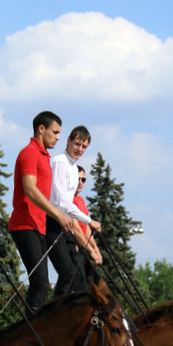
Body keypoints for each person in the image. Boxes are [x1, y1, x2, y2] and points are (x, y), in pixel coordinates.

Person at [8, 111, 76, 312]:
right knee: (39, 281)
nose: (58, 137)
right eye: (55, 132)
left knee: (43, 282)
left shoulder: (43, 156)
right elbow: (30, 189)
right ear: (41, 129)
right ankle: (32, 331)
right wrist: (58, 215)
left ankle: (40, 326)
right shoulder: (29, 152)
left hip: (38, 225)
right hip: (25, 224)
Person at [48, 127, 102, 296]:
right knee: (68, 273)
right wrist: (88, 220)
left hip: (64, 224)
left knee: (75, 274)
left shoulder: (72, 168)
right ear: (68, 141)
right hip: (51, 221)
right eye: (77, 144)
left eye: (84, 146)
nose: (80, 149)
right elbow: (62, 202)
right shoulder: (60, 163)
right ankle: (54, 313)